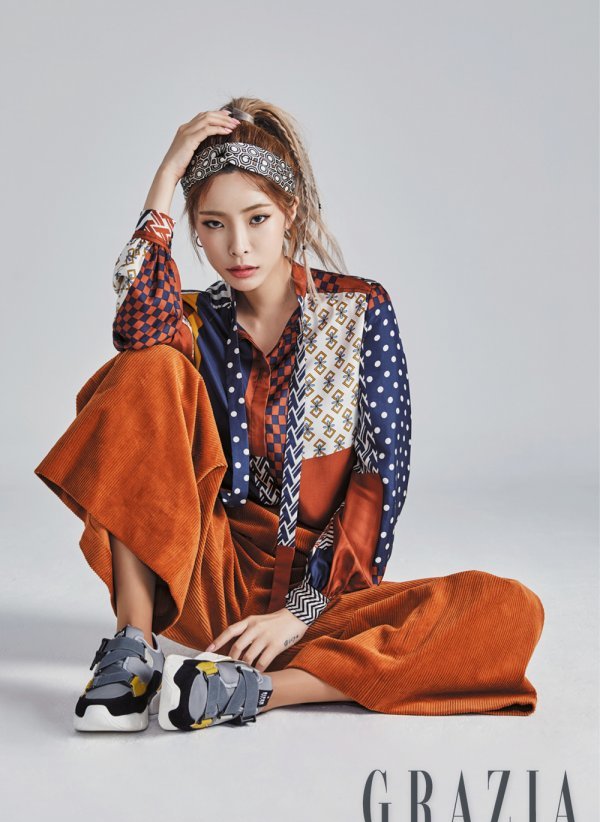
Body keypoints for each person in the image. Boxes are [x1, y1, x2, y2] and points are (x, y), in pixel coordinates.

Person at [34, 97, 545, 733]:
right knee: (148, 365)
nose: (238, 245)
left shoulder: (359, 311)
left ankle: (248, 690)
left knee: (509, 609)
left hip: (321, 597)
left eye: (257, 218)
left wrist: (298, 612)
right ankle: (133, 652)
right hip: (206, 572)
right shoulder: (193, 320)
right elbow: (135, 330)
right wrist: (166, 176)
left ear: (290, 214)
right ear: (195, 229)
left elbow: (378, 479)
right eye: (213, 224)